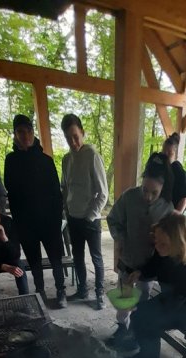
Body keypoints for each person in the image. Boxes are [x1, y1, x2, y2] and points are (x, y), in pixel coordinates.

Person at [123, 213, 186, 358]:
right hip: (169, 298)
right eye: (156, 242)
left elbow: (174, 304)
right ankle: (144, 356)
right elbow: (152, 266)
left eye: (163, 244)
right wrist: (139, 273)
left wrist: (139, 306)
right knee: (139, 316)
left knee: (150, 323)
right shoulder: (163, 252)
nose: (157, 247)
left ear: (180, 243)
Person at [107, 152, 174, 349]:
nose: (148, 196)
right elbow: (113, 220)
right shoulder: (129, 196)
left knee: (142, 302)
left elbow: (170, 242)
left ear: (163, 188)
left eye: (154, 193)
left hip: (148, 266)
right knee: (124, 300)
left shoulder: (167, 208)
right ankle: (122, 327)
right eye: (145, 190)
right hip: (127, 260)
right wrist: (121, 238)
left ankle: (135, 333)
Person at [4, 114, 67, 308]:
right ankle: (39, 292)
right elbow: (11, 191)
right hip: (26, 223)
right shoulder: (11, 160)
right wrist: (19, 223)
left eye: (29, 131)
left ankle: (60, 291)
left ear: (33, 133)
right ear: (15, 134)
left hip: (49, 222)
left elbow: (57, 193)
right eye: (21, 132)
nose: (26, 135)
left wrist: (57, 221)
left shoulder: (46, 160)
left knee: (56, 259)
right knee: (35, 262)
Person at [60, 113, 108, 310]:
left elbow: (103, 193)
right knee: (77, 257)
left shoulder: (92, 155)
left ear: (83, 133)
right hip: (73, 218)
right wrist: (66, 210)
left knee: (96, 258)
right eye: (68, 138)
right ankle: (82, 290)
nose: (73, 142)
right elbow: (65, 188)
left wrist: (89, 216)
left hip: (91, 220)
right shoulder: (66, 159)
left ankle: (99, 293)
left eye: (75, 136)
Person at [162, 132, 186, 213]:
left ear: (175, 154)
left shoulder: (179, 172)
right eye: (163, 152)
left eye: (169, 153)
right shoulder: (160, 168)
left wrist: (176, 214)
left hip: (172, 213)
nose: (165, 155)